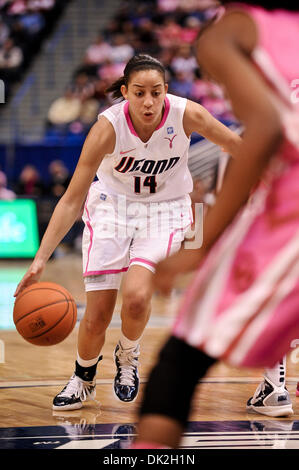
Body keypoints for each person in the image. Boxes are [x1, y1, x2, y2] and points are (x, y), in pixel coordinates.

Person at [14, 54, 242, 411]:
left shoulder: (187, 114)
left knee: (136, 296)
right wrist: (40, 260)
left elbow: (236, 147)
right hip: (111, 208)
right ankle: (83, 377)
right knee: (97, 316)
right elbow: (72, 200)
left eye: (156, 92)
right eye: (139, 93)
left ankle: (128, 355)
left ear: (166, 90)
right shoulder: (108, 127)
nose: (148, 102)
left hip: (165, 211)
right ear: (125, 93)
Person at [132, 2, 299, 449]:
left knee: (180, 361)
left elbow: (263, 130)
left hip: (292, 209)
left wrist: (202, 246)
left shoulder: (227, 33)